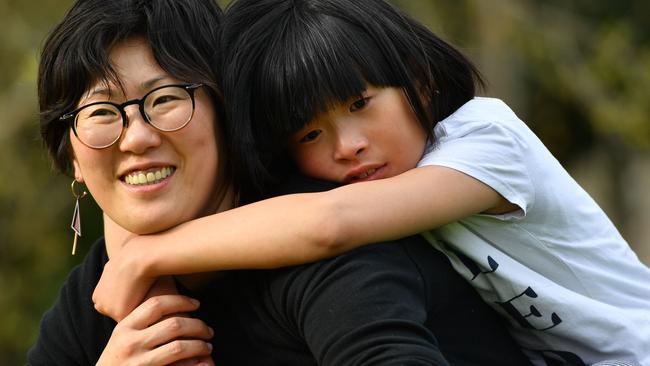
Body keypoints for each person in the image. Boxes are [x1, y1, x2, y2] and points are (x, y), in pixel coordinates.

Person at [91, 0, 650, 365]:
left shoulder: (488, 139)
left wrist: (144, 259)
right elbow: (132, 214)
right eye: (308, 134)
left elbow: (329, 225)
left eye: (362, 103)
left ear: (419, 78)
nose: (346, 146)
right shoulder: (353, 182)